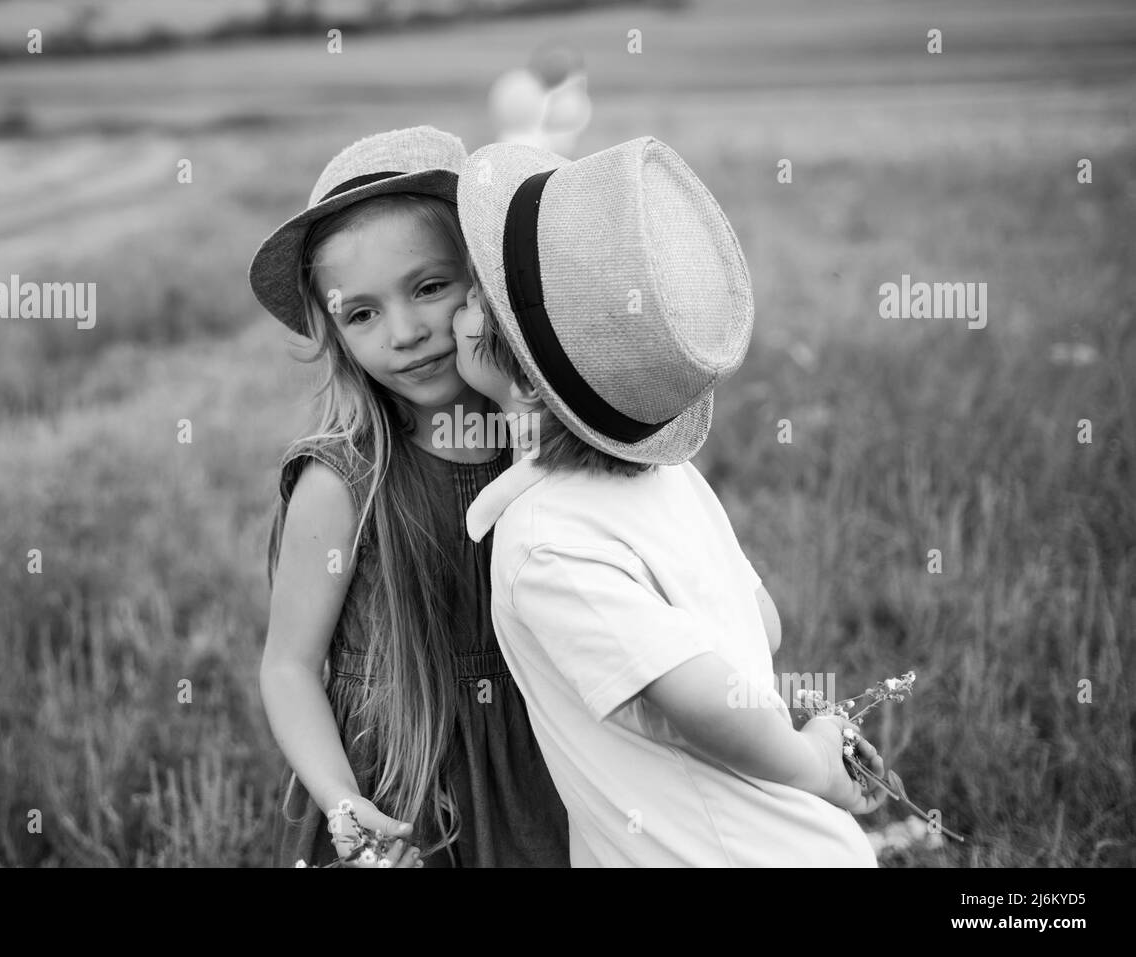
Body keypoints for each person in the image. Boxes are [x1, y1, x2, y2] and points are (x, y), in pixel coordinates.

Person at [450, 135, 894, 866]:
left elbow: (707, 695)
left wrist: (814, 763)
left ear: (528, 384)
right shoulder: (673, 479)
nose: (461, 303)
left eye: (477, 297)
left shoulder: (542, 542)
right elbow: (764, 626)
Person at [248, 126, 569, 868]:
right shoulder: (342, 484)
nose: (405, 333)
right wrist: (339, 799)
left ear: (485, 283)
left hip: (546, 775)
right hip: (399, 794)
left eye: (429, 287)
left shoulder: (555, 445)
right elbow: (288, 666)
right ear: (334, 330)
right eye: (361, 313)